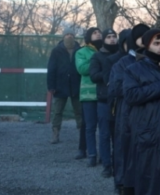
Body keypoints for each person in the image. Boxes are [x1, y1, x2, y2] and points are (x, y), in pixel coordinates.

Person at [124, 29, 160, 195]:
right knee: (150, 176)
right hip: (148, 132)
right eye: (156, 43)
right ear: (148, 45)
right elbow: (131, 95)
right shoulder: (134, 69)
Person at [108, 24, 150, 194]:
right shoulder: (123, 63)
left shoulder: (159, 61)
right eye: (142, 36)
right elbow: (115, 88)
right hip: (128, 114)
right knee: (126, 151)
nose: (146, 40)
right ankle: (124, 184)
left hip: (151, 115)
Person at [46, 28, 83, 157]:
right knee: (57, 111)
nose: (69, 36)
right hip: (60, 86)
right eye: (67, 34)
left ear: (74, 36)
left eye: (71, 34)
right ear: (63, 36)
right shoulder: (56, 51)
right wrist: (51, 86)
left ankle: (81, 135)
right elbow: (51, 69)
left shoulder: (80, 50)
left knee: (79, 112)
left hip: (76, 85)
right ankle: (55, 134)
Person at [89, 28, 119, 178]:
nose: (112, 39)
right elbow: (93, 75)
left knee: (118, 134)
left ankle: (118, 164)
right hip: (104, 100)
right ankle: (107, 165)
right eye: (109, 37)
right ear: (104, 40)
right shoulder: (97, 56)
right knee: (105, 134)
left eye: (114, 36)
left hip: (120, 100)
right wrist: (110, 74)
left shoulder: (121, 55)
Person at [75, 27, 103, 164]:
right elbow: (82, 69)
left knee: (105, 128)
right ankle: (91, 154)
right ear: (88, 36)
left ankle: (104, 156)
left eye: (99, 33)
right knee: (90, 127)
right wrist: (97, 59)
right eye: (94, 33)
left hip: (104, 94)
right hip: (89, 95)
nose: (98, 34)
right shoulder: (81, 52)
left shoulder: (106, 50)